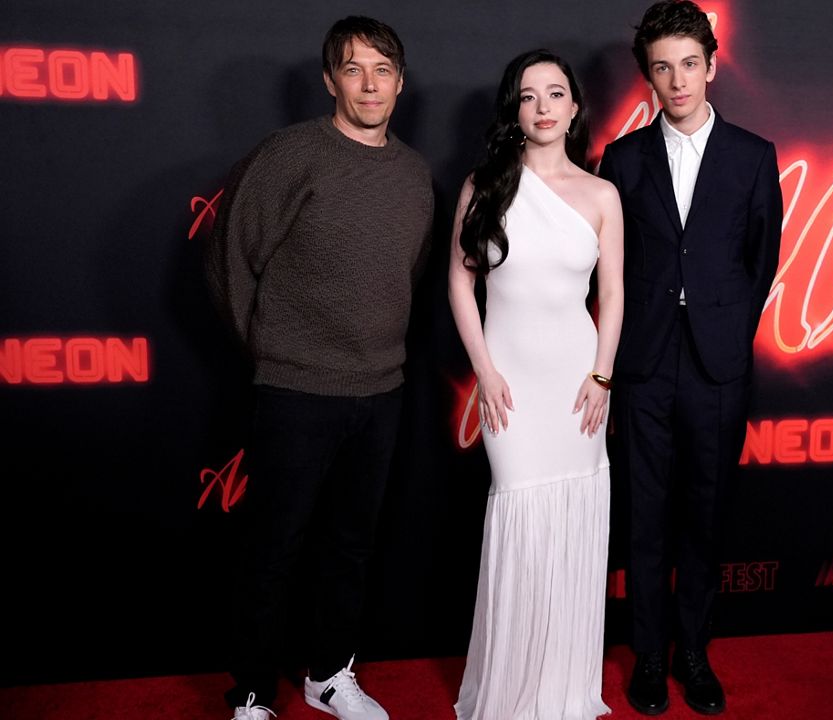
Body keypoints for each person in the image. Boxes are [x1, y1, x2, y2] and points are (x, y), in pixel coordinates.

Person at [203, 16, 434, 720]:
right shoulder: (291, 153)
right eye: (355, 69)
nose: (370, 84)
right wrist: (276, 349)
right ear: (331, 78)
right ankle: (250, 692)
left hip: (382, 391)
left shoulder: (414, 173)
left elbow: (404, 276)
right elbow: (228, 261)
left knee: (352, 545)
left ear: (400, 82)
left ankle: (330, 675)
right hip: (296, 390)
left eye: (383, 70)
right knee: (274, 547)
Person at [597, 1, 783, 715]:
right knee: (644, 514)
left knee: (705, 514)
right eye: (661, 67)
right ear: (648, 75)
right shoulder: (621, 158)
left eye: (688, 64)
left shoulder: (753, 156)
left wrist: (727, 329)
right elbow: (608, 267)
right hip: (644, 362)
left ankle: (694, 654)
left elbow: (759, 262)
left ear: (712, 65)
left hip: (716, 362)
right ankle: (647, 657)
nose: (676, 80)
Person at [448, 49, 624, 720]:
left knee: (575, 521)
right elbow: (460, 283)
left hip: (579, 381)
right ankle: (512, 692)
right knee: (520, 515)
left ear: (575, 108)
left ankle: (563, 690)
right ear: (514, 110)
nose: (544, 106)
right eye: (529, 95)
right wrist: (485, 371)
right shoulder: (484, 185)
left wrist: (603, 375)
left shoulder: (602, 194)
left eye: (556, 93)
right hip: (510, 383)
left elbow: (613, 294)